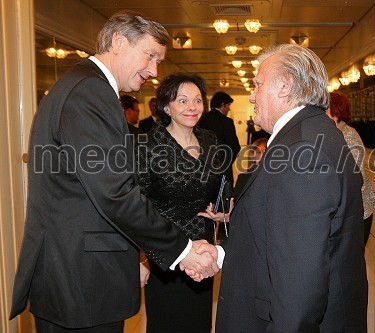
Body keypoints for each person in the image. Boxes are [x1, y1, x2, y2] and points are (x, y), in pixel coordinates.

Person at [9, 11, 218, 332]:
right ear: (118, 42)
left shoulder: (80, 86)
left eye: (159, 61)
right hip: (82, 277)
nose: (153, 70)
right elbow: (114, 192)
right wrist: (184, 250)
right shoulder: (91, 93)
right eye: (150, 56)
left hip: (77, 272)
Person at [212, 44, 368, 332]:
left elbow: (300, 278)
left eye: (258, 84)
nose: (251, 94)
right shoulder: (310, 134)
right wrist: (222, 253)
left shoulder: (302, 148)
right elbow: (273, 231)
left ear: (285, 86)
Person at [137, 73, 223, 333]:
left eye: (197, 100)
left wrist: (220, 212)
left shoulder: (210, 140)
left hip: (203, 251)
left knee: (198, 324)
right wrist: (140, 260)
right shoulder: (149, 145)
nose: (192, 107)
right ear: (166, 107)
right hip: (165, 254)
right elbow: (137, 206)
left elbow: (217, 186)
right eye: (183, 101)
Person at [328, 92, 375, 246]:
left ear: (335, 111)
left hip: (358, 212)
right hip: (349, 211)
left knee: (352, 263)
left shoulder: (347, 135)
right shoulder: (335, 133)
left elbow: (356, 178)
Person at [197, 91, 241, 185]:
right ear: (223, 104)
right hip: (224, 171)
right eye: (228, 105)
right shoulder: (227, 122)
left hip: (204, 170)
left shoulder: (201, 120)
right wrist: (226, 165)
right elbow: (235, 147)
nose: (229, 109)